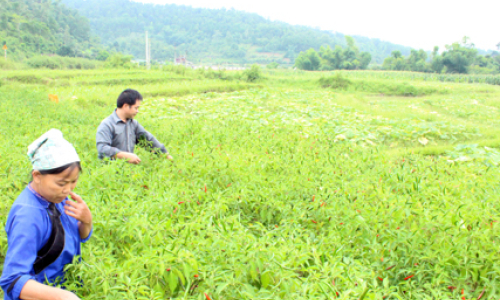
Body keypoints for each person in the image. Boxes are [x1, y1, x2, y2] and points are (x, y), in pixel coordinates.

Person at [0, 129, 92, 300]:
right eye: (61, 183)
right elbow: (12, 279)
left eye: (73, 181)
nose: (68, 190)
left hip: (63, 287)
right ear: (37, 176)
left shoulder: (59, 198)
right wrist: (64, 297)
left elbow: (76, 237)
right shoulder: (28, 216)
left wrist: (86, 222)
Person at [96, 89, 173, 164]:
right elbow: (102, 148)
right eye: (136, 108)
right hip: (109, 172)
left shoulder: (133, 124)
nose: (137, 111)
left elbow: (148, 140)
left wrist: (166, 155)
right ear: (126, 106)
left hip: (128, 171)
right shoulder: (107, 125)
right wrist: (125, 156)